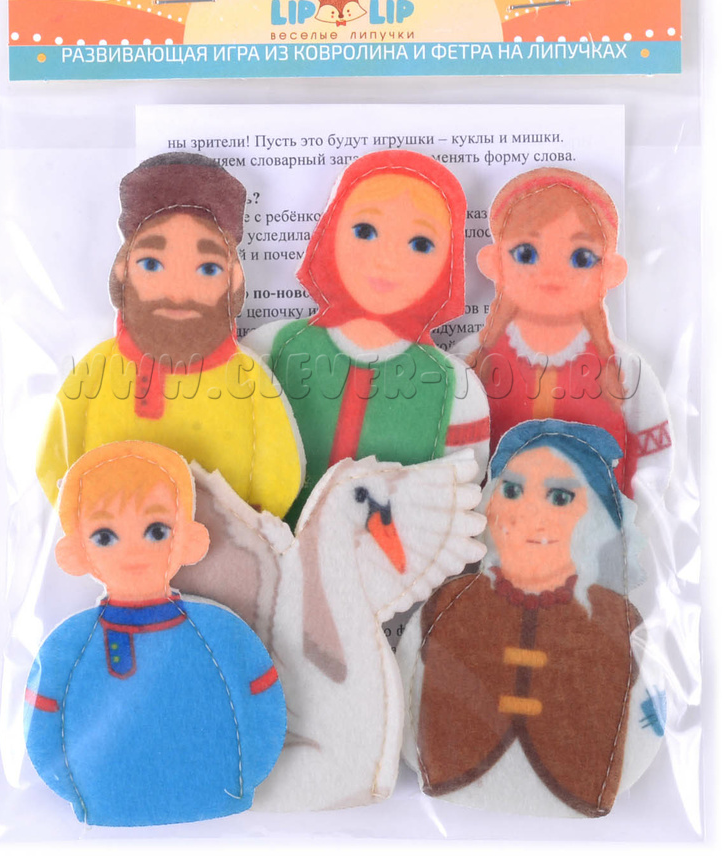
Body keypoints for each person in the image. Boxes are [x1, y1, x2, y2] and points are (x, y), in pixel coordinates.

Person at [399, 420, 665, 818]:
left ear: (597, 516)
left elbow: (648, 709)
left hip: (579, 783)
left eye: (559, 497)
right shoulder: (446, 608)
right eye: (511, 491)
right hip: (450, 772)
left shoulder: (621, 626)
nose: (529, 512)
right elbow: (403, 685)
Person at [24, 440, 286, 826]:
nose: (132, 551)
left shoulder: (219, 632)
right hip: (108, 799)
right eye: (105, 536)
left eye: (156, 530)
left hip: (215, 793)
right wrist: (80, 791)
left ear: (189, 539)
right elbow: (44, 720)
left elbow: (262, 699)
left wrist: (243, 778)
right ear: (76, 552)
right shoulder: (71, 645)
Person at [36, 152, 303, 519]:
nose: (178, 292)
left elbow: (279, 470)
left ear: (235, 281)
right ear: (122, 271)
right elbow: (55, 458)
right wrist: (90, 528)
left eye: (207, 268)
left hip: (226, 540)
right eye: (152, 264)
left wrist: (253, 527)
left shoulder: (247, 377)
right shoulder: (98, 369)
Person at [245, 151, 490, 523]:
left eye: (420, 244)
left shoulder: (455, 388)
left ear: (449, 264)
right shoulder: (273, 348)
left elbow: (459, 497)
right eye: (364, 231)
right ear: (329, 234)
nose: (387, 259)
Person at [456, 167, 672, 498]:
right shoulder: (470, 362)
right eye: (526, 254)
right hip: (490, 525)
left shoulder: (625, 372)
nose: (552, 273)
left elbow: (652, 456)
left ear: (611, 271)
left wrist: (632, 516)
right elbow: (450, 453)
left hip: (595, 523)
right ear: (493, 263)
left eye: (581, 257)